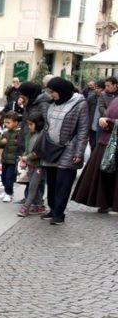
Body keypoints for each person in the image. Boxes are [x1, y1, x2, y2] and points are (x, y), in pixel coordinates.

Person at [40, 77, 88, 225]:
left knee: (63, 182)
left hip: (69, 148)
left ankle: (59, 213)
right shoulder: (51, 103)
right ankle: (53, 208)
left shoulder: (80, 104)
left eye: (53, 92)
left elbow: (83, 130)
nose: (51, 95)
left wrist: (79, 152)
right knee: (52, 181)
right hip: (51, 147)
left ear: (62, 91)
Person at [72, 86, 118, 214]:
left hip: (112, 142)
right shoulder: (115, 101)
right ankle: (105, 202)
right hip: (106, 141)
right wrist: (102, 120)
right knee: (104, 174)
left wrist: (110, 121)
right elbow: (106, 115)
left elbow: (111, 119)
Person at [17, 113, 47, 217]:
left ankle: (25, 208)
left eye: (31, 124)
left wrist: (27, 157)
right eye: (28, 125)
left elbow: (38, 153)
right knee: (35, 187)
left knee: (32, 188)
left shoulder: (42, 136)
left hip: (39, 166)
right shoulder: (31, 135)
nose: (29, 127)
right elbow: (28, 149)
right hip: (31, 165)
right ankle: (39, 206)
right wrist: (25, 157)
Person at [0, 112, 23, 203]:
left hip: (14, 160)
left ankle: (9, 193)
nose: (6, 124)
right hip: (5, 159)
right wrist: (1, 142)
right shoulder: (5, 133)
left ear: (15, 122)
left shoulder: (20, 133)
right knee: (3, 177)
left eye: (8, 122)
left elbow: (22, 146)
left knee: (9, 177)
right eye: (5, 122)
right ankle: (6, 190)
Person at [84, 81, 100, 147]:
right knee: (92, 146)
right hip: (92, 127)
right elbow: (86, 112)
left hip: (101, 128)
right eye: (95, 88)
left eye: (98, 88)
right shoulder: (91, 98)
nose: (96, 90)